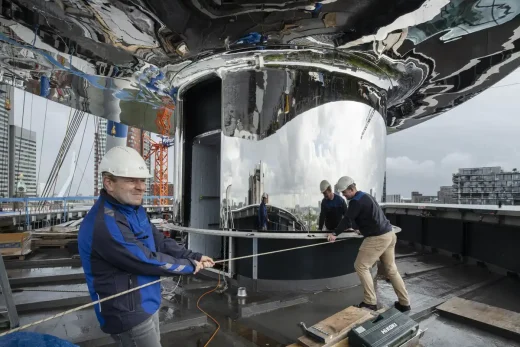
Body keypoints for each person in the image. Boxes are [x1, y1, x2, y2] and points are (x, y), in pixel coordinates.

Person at [78, 146, 215, 347]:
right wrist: (189, 265)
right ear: (109, 183)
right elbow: (144, 260)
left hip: (147, 302)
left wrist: (193, 255)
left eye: (142, 180)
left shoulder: (134, 209)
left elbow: (158, 240)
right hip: (127, 312)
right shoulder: (104, 224)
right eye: (131, 180)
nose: (141, 187)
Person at [327, 176, 410, 313]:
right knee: (391, 270)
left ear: (352, 189)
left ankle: (370, 302)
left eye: (344, 192)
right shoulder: (366, 196)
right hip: (389, 234)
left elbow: (347, 220)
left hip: (377, 238)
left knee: (361, 266)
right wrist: (362, 229)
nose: (343, 195)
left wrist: (335, 234)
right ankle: (404, 303)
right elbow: (370, 216)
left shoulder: (355, 202)